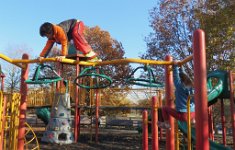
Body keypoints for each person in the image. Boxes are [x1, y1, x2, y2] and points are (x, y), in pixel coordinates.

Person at [158, 61, 195, 129]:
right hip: (193, 114)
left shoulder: (179, 86)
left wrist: (175, 66)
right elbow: (184, 75)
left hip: (184, 115)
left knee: (164, 108)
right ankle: (193, 121)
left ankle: (167, 124)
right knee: (176, 106)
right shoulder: (192, 87)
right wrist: (181, 67)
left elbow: (176, 76)